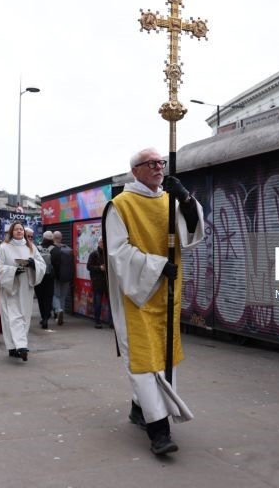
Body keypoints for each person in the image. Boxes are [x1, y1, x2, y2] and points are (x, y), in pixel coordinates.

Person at [103, 148, 204, 455]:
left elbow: (191, 231)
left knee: (164, 356)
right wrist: (157, 266)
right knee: (144, 360)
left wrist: (185, 198)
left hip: (168, 291)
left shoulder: (169, 199)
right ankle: (159, 430)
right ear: (136, 170)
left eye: (161, 162)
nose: (159, 167)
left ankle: (138, 409)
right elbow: (117, 252)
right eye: (152, 163)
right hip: (138, 293)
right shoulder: (120, 204)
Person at [0, 221, 46, 361]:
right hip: (10, 288)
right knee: (11, 317)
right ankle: (17, 346)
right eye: (16, 229)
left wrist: (33, 264)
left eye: (21, 229)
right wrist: (13, 271)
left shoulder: (31, 247)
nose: (19, 231)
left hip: (26, 287)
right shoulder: (3, 248)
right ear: (11, 232)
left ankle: (18, 346)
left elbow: (42, 264)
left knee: (24, 316)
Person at [51, 230, 73, 325]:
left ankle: (58, 310)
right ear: (61, 238)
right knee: (63, 296)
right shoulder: (68, 249)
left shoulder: (51, 249)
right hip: (67, 276)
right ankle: (61, 314)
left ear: (53, 238)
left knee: (56, 295)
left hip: (56, 276)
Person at [86, 236, 109, 329]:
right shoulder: (94, 254)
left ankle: (112, 322)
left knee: (111, 303)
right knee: (98, 303)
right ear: (99, 243)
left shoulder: (109, 253)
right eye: (102, 242)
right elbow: (89, 266)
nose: (103, 244)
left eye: (104, 242)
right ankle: (97, 321)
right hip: (97, 283)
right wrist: (99, 268)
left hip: (108, 283)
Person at [34, 231, 55, 330]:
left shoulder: (36, 249)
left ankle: (43, 317)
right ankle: (47, 316)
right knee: (48, 298)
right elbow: (58, 264)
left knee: (40, 299)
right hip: (50, 278)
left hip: (39, 277)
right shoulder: (55, 249)